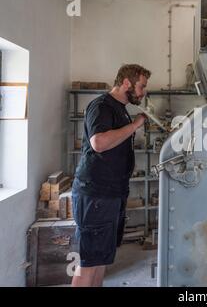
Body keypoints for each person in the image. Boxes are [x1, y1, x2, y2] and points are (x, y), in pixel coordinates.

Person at [71, 64, 151, 287]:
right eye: (141, 86)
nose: (142, 92)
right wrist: (135, 125)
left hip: (111, 193)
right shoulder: (102, 105)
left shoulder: (120, 109)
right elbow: (99, 142)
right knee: (89, 262)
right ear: (127, 82)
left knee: (101, 260)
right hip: (96, 193)